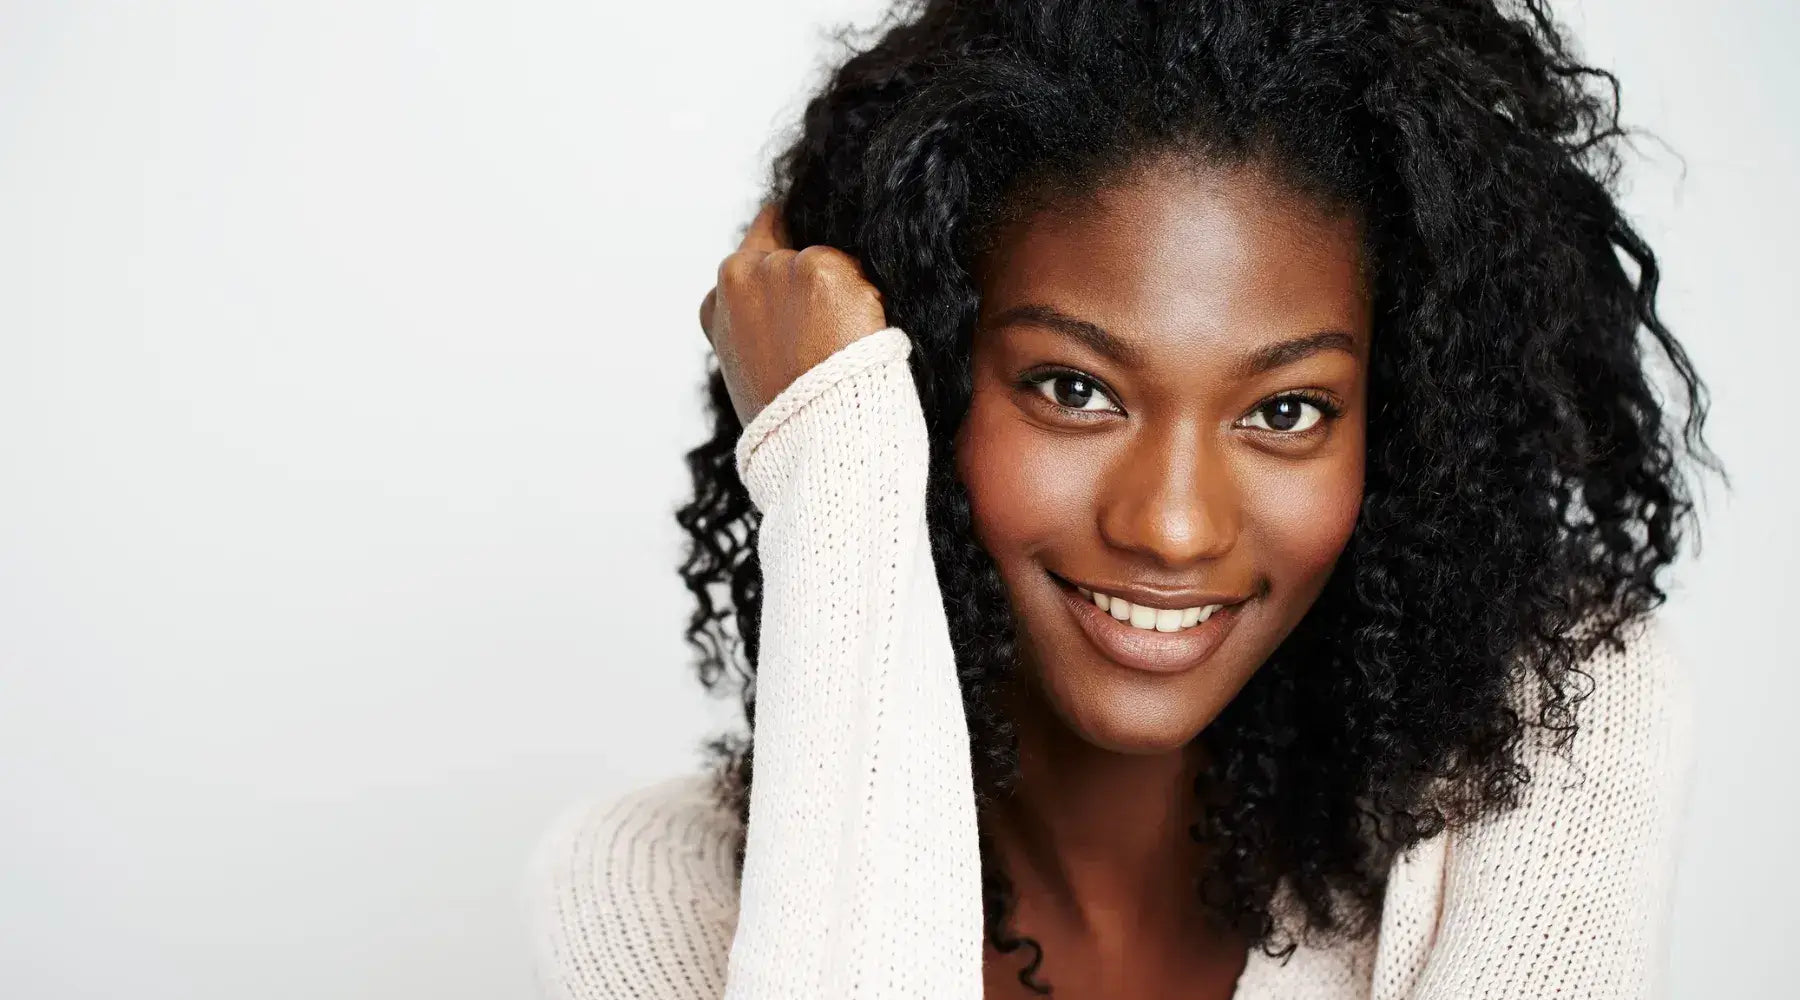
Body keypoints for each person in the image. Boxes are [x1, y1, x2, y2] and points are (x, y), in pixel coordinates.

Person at [529, 1, 1719, 996]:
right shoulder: (651, 891)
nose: (1172, 523)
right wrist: (834, 466)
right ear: (928, 376)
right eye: (1073, 389)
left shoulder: (1547, 726)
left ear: (1401, 425)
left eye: (1288, 410)